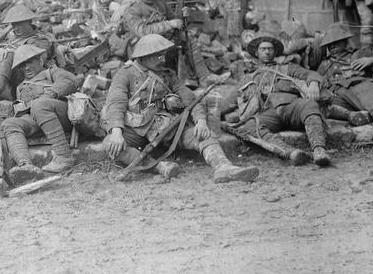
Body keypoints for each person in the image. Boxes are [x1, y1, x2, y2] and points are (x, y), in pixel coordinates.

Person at [102, 34, 259, 183]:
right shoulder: (125, 74)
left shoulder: (168, 75)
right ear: (144, 56)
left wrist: (201, 121)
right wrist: (116, 131)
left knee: (203, 135)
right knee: (110, 144)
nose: (163, 59)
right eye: (158, 55)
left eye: (163, 54)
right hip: (134, 129)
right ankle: (159, 166)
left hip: (166, 127)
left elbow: (191, 99)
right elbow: (116, 103)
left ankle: (224, 167)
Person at [221, 32, 331, 166]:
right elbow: (229, 101)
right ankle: (291, 152)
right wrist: (216, 114)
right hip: (269, 114)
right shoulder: (248, 78)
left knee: (309, 105)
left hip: (292, 107)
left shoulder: (287, 67)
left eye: (270, 49)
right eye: (263, 49)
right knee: (250, 127)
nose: (267, 52)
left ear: (275, 52)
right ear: (256, 53)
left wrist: (314, 83)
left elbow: (311, 74)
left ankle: (319, 150)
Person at [0, 45, 82, 180]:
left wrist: (50, 94)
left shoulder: (51, 72)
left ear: (40, 60)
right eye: (22, 65)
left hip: (62, 115)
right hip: (37, 119)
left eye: (29, 62)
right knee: (9, 124)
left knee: (40, 105)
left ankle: (64, 157)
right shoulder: (21, 87)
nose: (26, 68)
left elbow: (70, 80)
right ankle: (25, 165)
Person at [120, 0, 208, 79]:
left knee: (189, 40)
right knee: (162, 54)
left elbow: (176, 22)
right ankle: (167, 81)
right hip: (144, 47)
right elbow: (142, 32)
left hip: (164, 40)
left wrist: (183, 16)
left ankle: (203, 76)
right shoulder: (132, 10)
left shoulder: (160, 4)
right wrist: (169, 24)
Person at [0, 3, 55, 113]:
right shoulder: (13, 39)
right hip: (3, 85)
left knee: (10, 57)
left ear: (28, 22)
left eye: (18, 24)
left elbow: (35, 63)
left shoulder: (41, 41)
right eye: (13, 25)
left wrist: (10, 54)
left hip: (25, 86)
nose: (15, 28)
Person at [316, 22, 373, 133]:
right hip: (337, 96)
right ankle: (357, 116)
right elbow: (316, 81)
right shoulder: (324, 65)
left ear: (345, 42)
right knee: (319, 106)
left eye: (336, 42)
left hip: (359, 87)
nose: (332, 46)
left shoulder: (359, 54)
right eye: (329, 43)